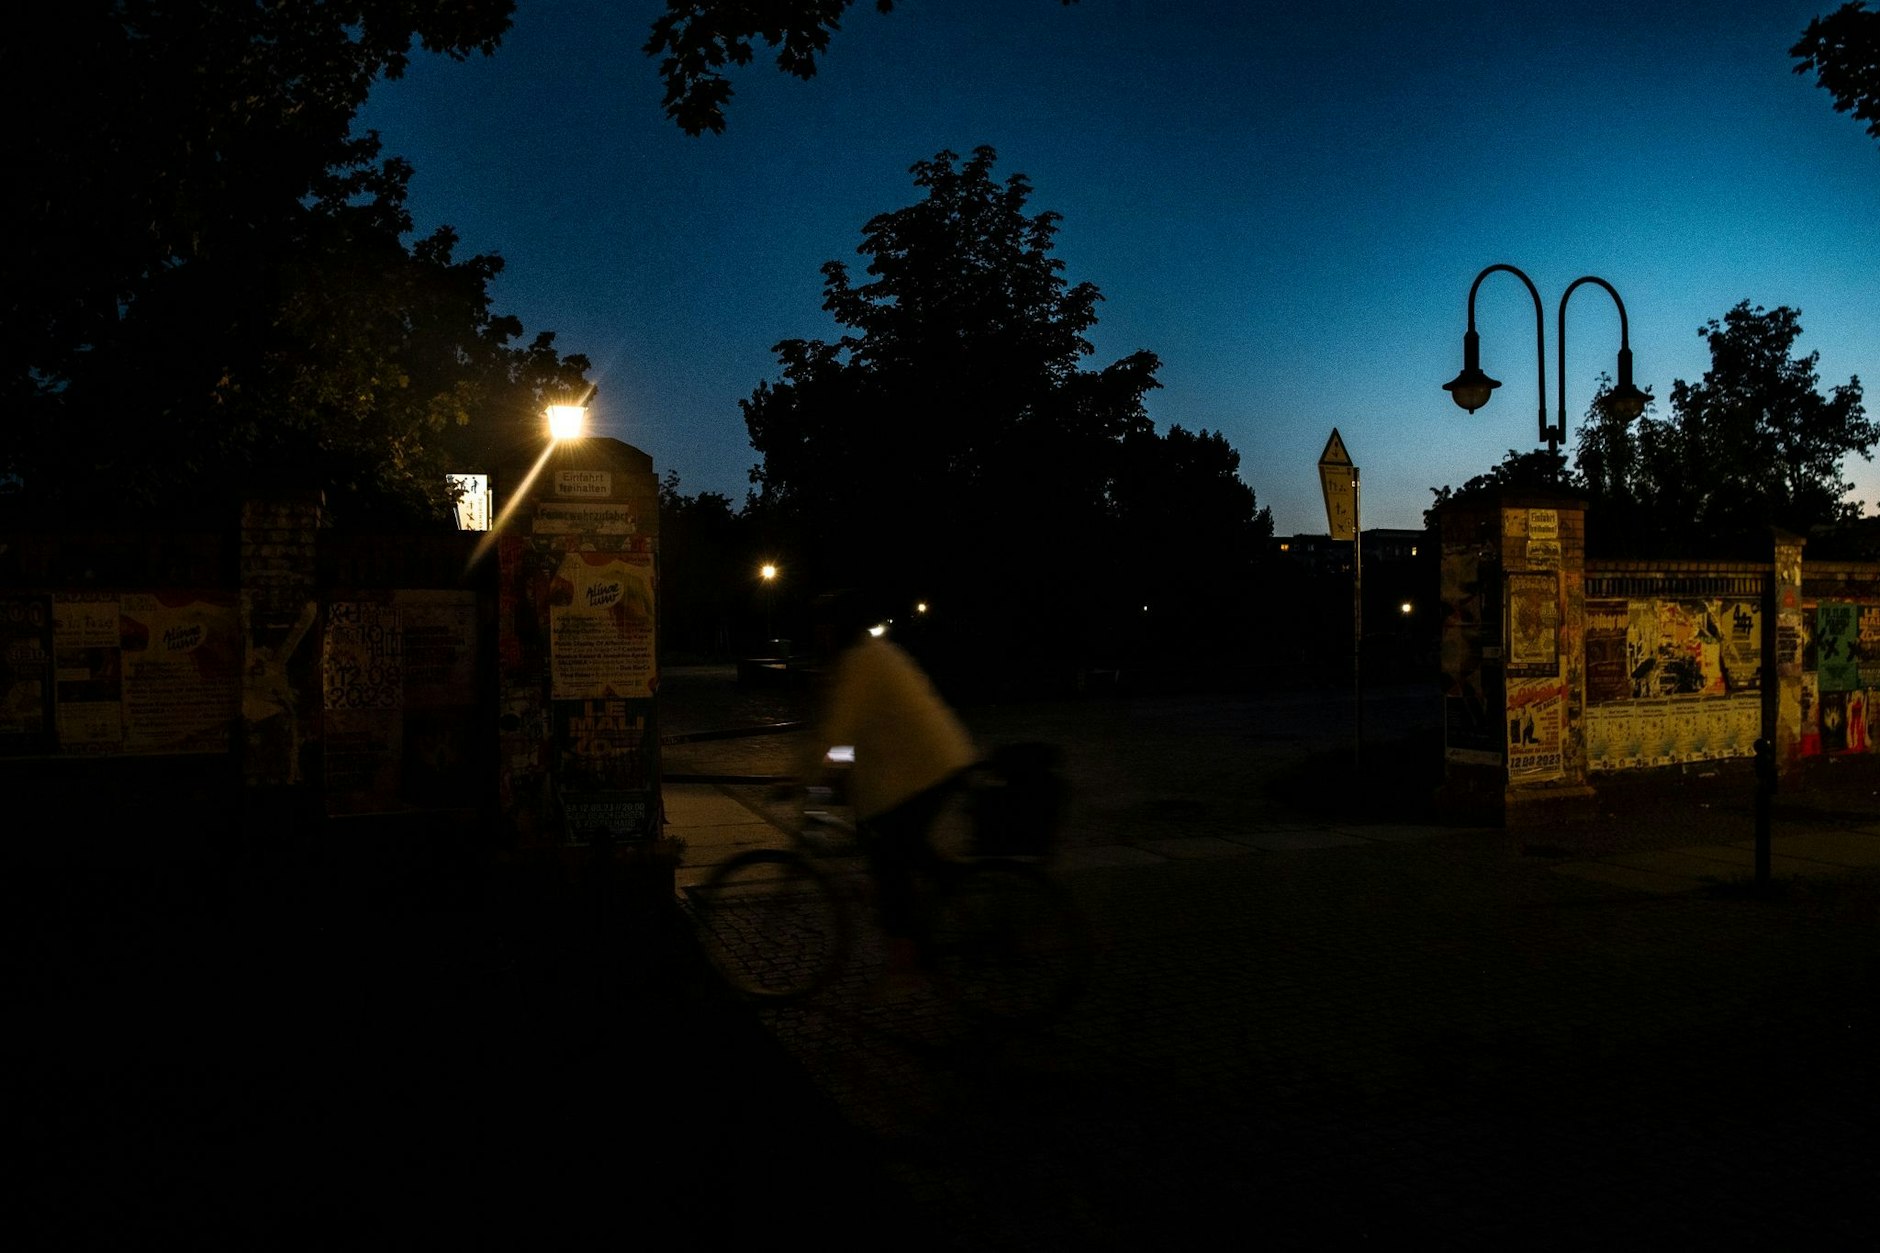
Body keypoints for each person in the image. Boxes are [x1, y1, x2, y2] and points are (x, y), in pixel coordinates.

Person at [799, 590, 976, 986]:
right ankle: (947, 895)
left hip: (924, 768)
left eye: (824, 629)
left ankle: (908, 954)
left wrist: (809, 777)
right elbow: (850, 737)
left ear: (834, 630)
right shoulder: (871, 654)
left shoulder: (861, 663)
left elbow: (839, 733)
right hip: (931, 762)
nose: (820, 637)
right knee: (893, 842)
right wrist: (830, 772)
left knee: (889, 852)